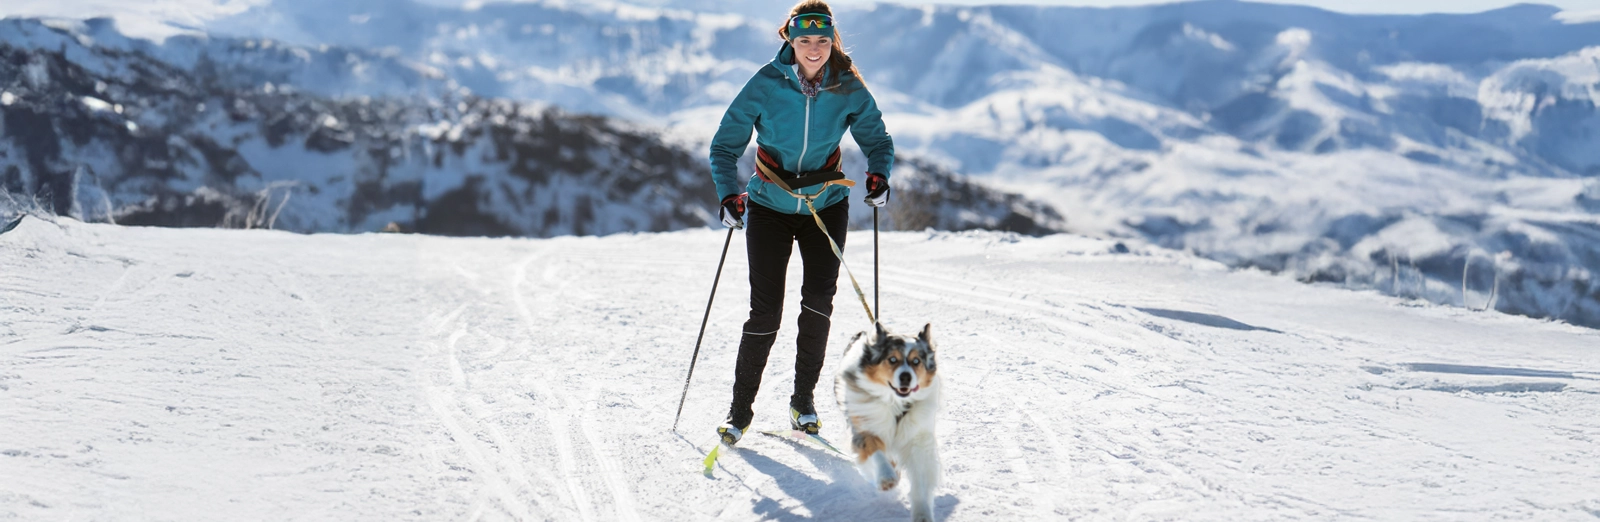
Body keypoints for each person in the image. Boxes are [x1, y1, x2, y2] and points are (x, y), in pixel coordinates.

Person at [708, 0, 894, 445]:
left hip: (825, 204)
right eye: (806, 40)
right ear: (790, 39)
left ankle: (802, 402)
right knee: (766, 310)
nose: (814, 49)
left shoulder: (847, 86)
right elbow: (724, 145)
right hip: (770, 205)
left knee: (817, 304)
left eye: (823, 40)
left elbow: (877, 139)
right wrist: (727, 193)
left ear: (833, 42)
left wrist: (879, 174)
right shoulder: (767, 83)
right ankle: (739, 411)